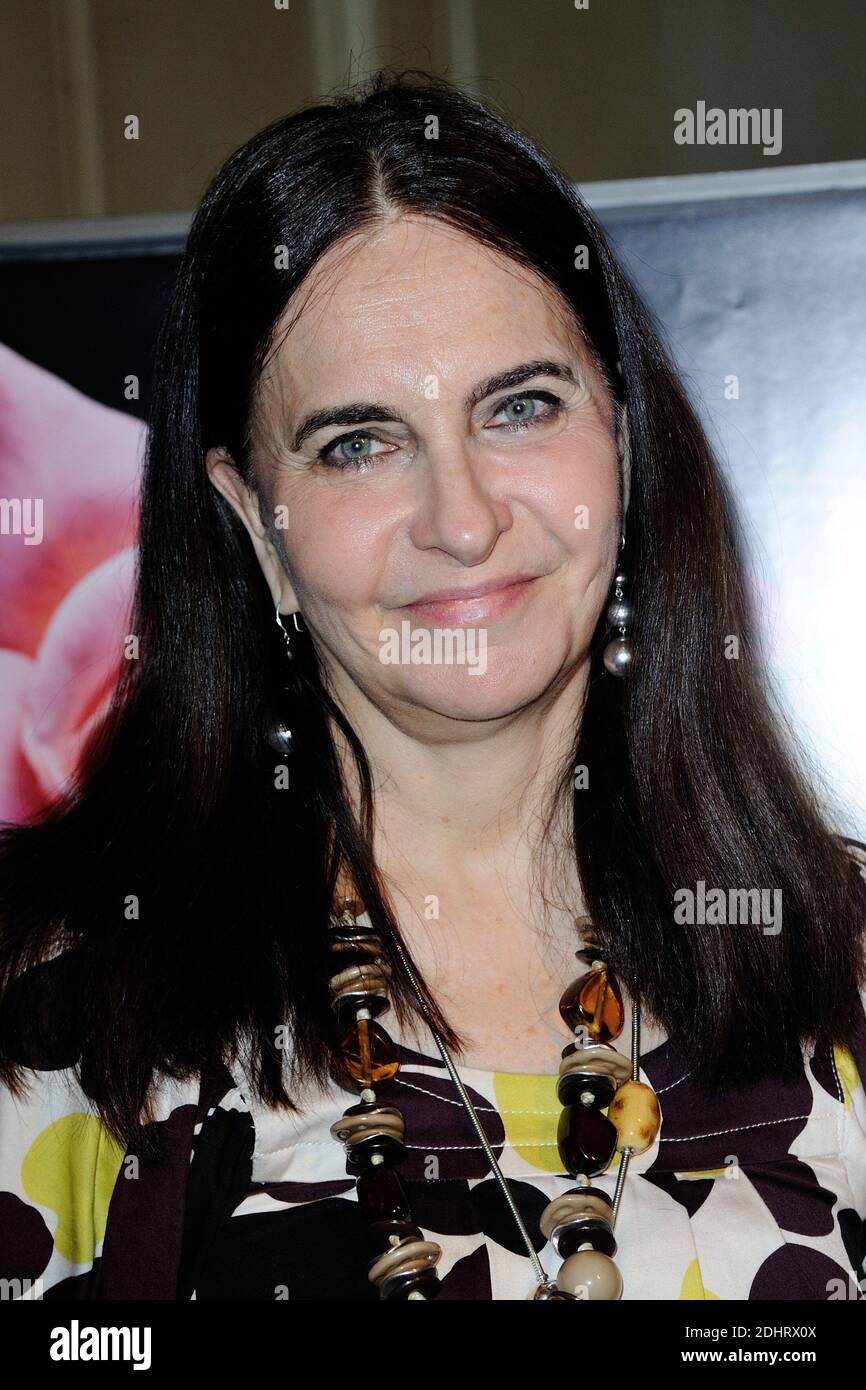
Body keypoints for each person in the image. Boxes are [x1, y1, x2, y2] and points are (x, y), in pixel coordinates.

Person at [1, 68, 865, 1303]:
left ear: (620, 443)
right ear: (255, 524)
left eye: (518, 408)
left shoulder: (843, 961)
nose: (460, 522)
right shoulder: (52, 1005)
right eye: (358, 442)